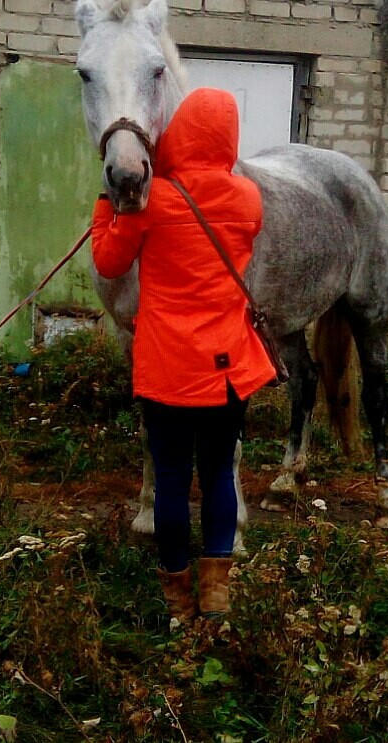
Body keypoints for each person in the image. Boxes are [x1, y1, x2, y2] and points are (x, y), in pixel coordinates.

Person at [91, 87, 276, 621]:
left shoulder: (154, 203)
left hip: (168, 370)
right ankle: (216, 590)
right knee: (219, 472)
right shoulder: (249, 198)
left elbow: (108, 262)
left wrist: (109, 205)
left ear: (178, 134)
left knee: (171, 480)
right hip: (228, 371)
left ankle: (177, 598)